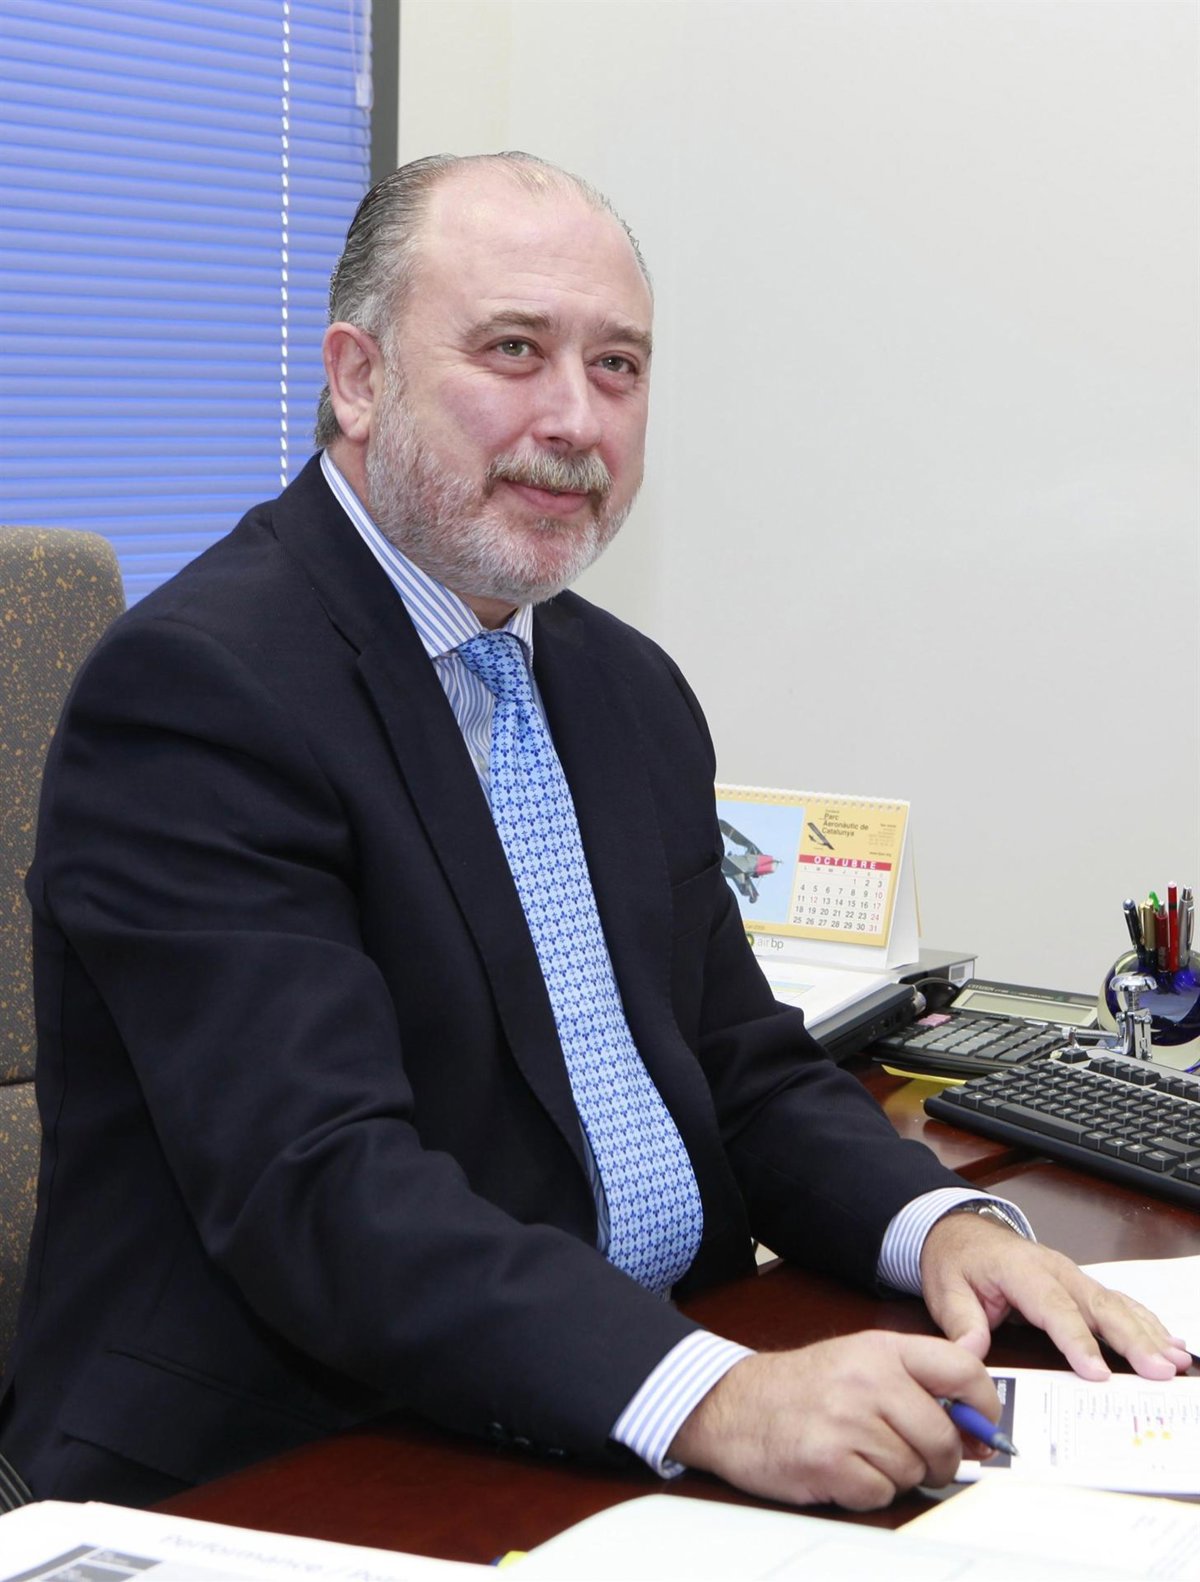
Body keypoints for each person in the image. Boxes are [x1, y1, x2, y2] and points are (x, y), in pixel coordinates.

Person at [0, 153, 1187, 1513]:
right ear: (359, 378)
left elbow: (740, 1068)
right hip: (297, 1457)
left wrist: (944, 1230)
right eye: (515, 349)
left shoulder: (621, 686)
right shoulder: (202, 693)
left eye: (617, 365)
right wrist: (715, 1395)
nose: (575, 418)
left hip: (607, 1394)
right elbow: (322, 1187)